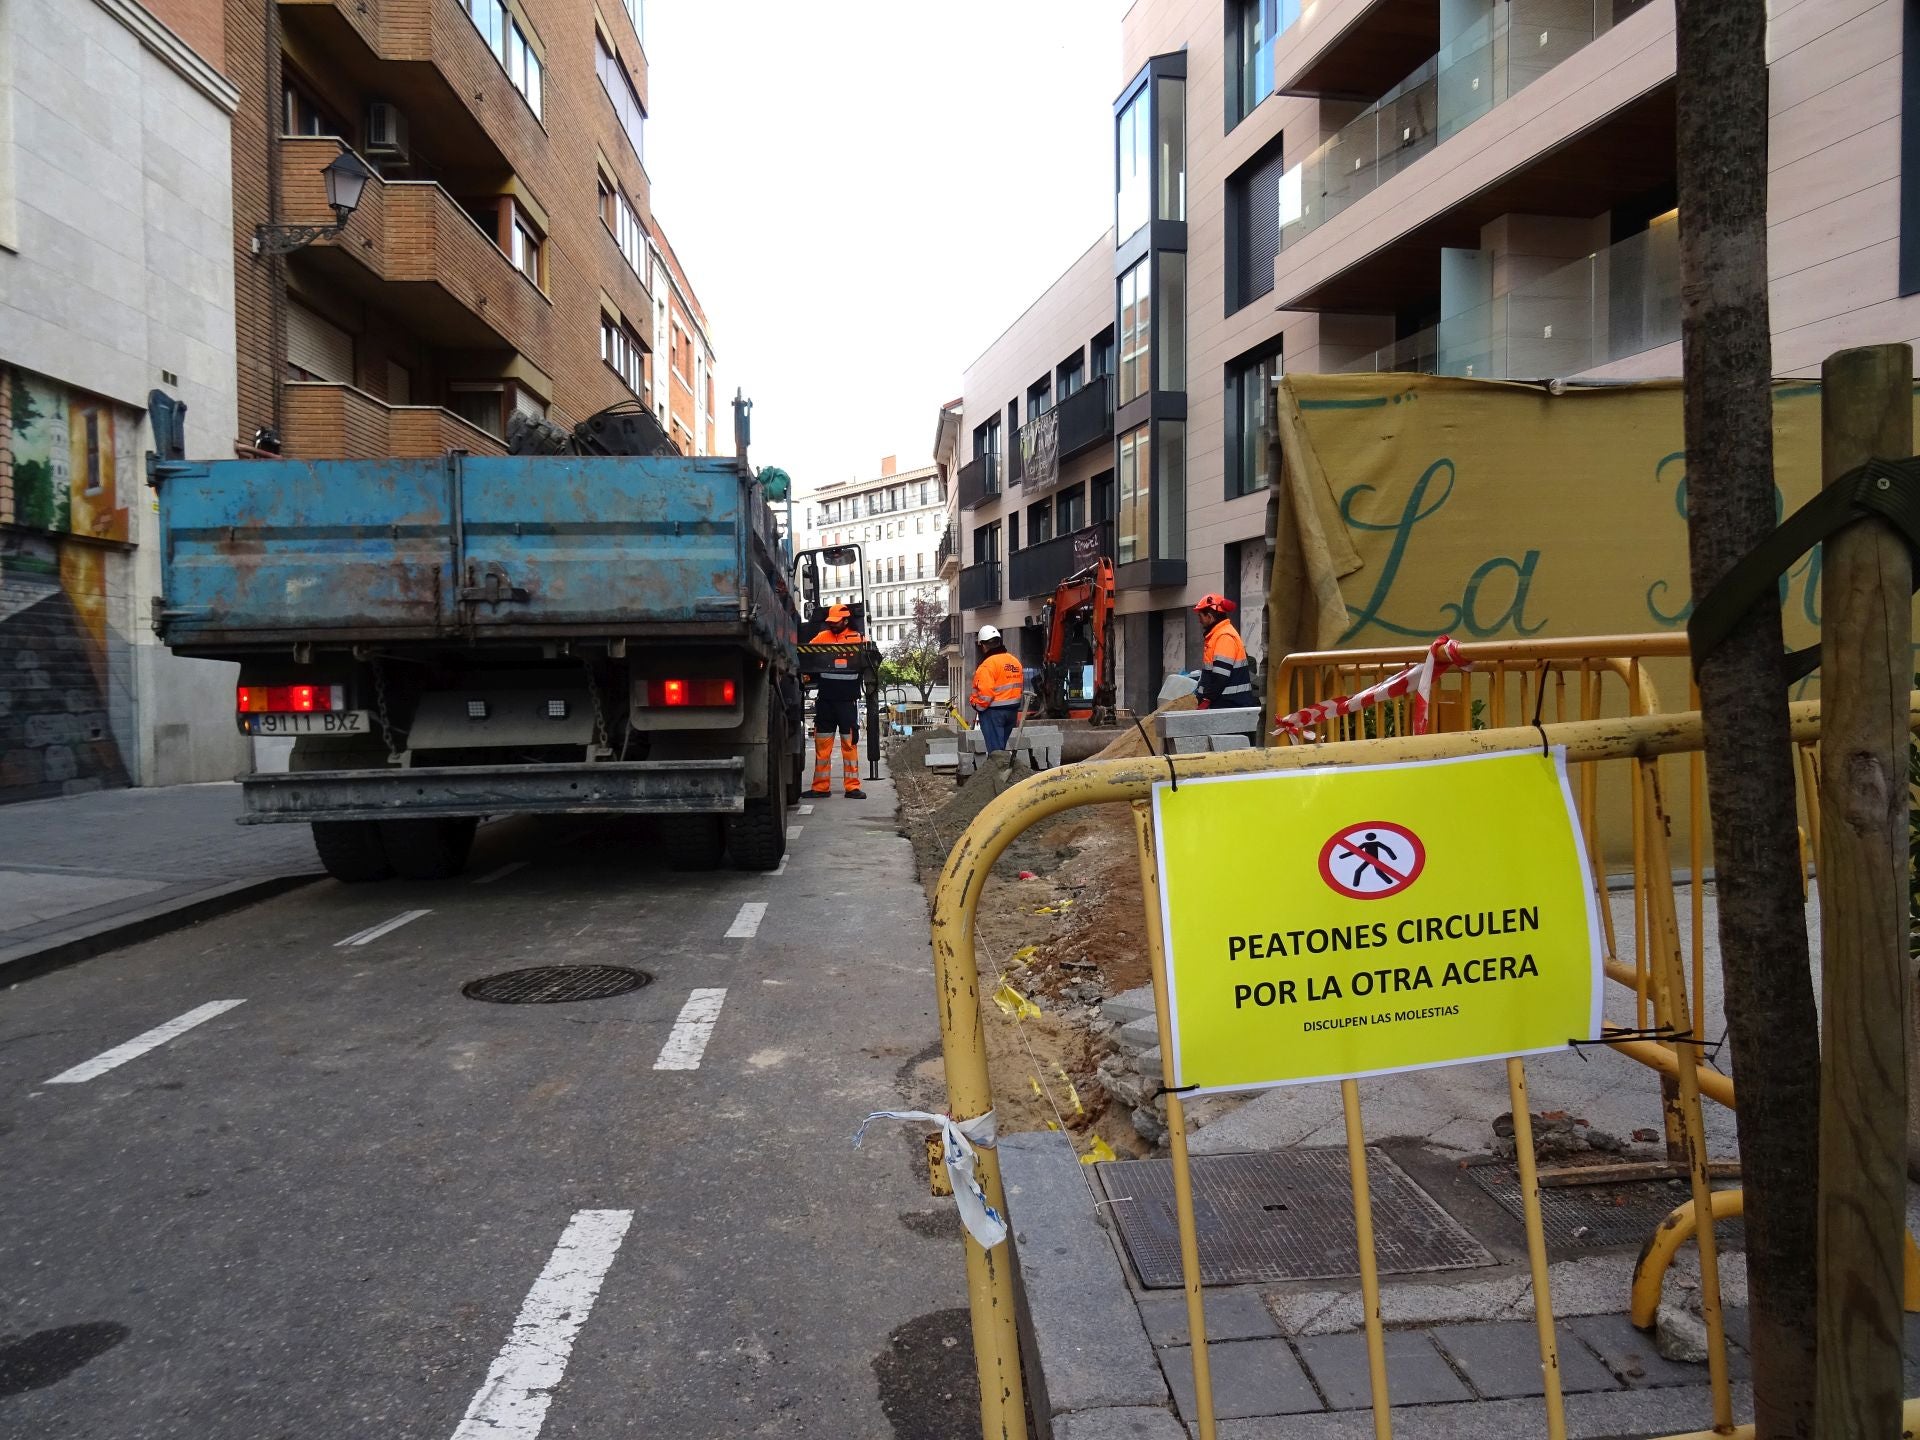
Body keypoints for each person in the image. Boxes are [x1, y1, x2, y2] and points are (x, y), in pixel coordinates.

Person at [802, 603, 866, 799]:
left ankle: (852, 787)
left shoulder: (858, 639)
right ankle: (820, 787)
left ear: (846, 620)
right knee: (823, 744)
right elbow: (807, 656)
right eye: (830, 622)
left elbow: (869, 661)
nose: (832, 625)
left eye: (835, 622)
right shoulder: (822, 638)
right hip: (827, 700)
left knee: (849, 744)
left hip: (847, 701)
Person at [1193, 594, 1257, 710]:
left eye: (1200, 616)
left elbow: (1220, 676)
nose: (1199, 621)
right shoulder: (1218, 635)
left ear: (1210, 616)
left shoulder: (1224, 637)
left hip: (1230, 705)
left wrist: (1207, 700)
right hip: (1226, 704)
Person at [969, 625, 1025, 753]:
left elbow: (985, 696)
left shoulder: (987, 665)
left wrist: (975, 704)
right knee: (1001, 748)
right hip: (1012, 712)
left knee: (995, 752)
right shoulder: (1014, 661)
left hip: (993, 713)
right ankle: (1002, 768)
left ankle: (997, 771)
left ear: (983, 645)